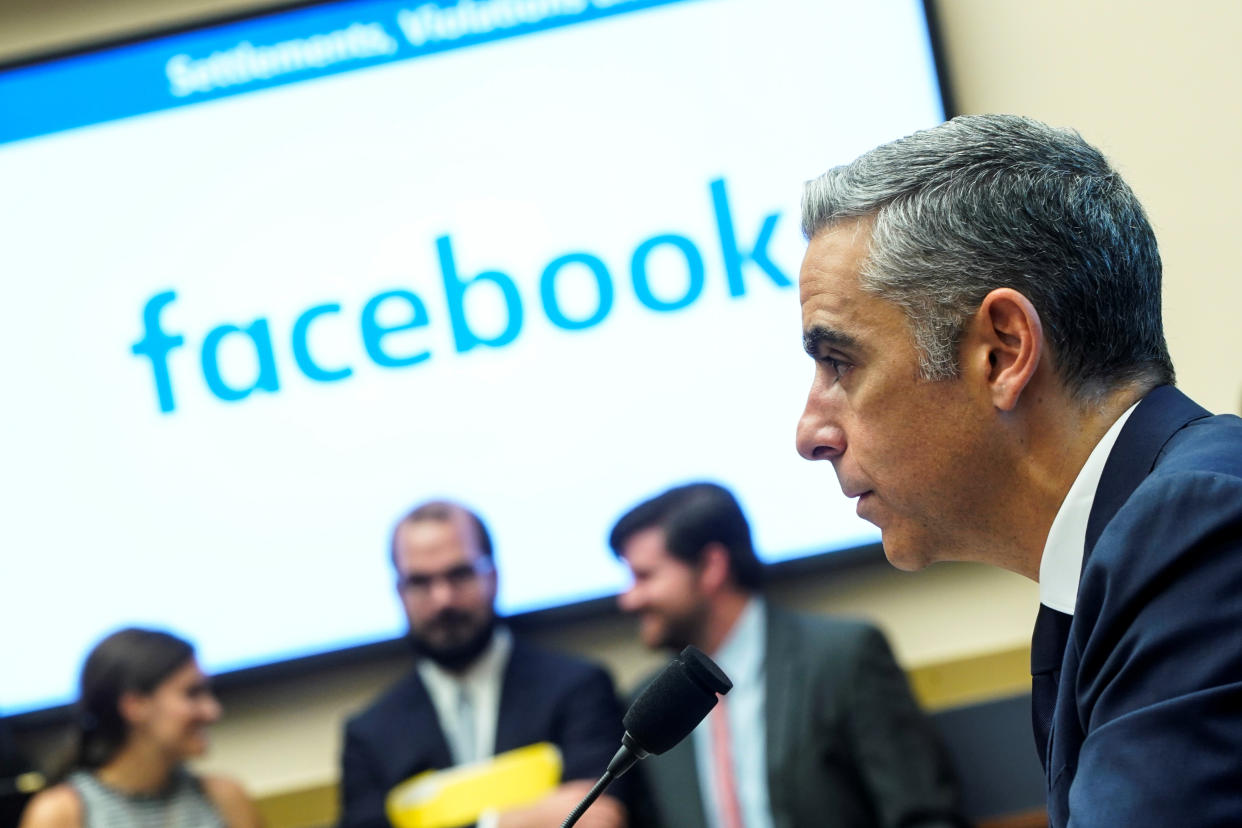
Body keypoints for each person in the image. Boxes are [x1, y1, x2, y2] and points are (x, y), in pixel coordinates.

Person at [794, 113, 1242, 827]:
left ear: (1003, 353)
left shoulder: (1201, 529)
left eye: (841, 363)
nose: (809, 434)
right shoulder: (1122, 556)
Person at [610, 481, 965, 828]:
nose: (628, 599)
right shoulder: (649, 708)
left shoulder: (842, 658)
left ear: (711, 567)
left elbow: (924, 814)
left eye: (644, 576)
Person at [339, 500, 627, 828]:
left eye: (459, 574)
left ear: (493, 575)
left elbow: (597, 821)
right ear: (399, 592)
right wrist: (502, 824)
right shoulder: (370, 735)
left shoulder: (578, 688)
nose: (442, 599)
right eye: (420, 583)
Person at [18, 628, 261, 828]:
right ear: (135, 705)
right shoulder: (61, 814)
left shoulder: (225, 797)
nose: (212, 711)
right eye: (192, 694)